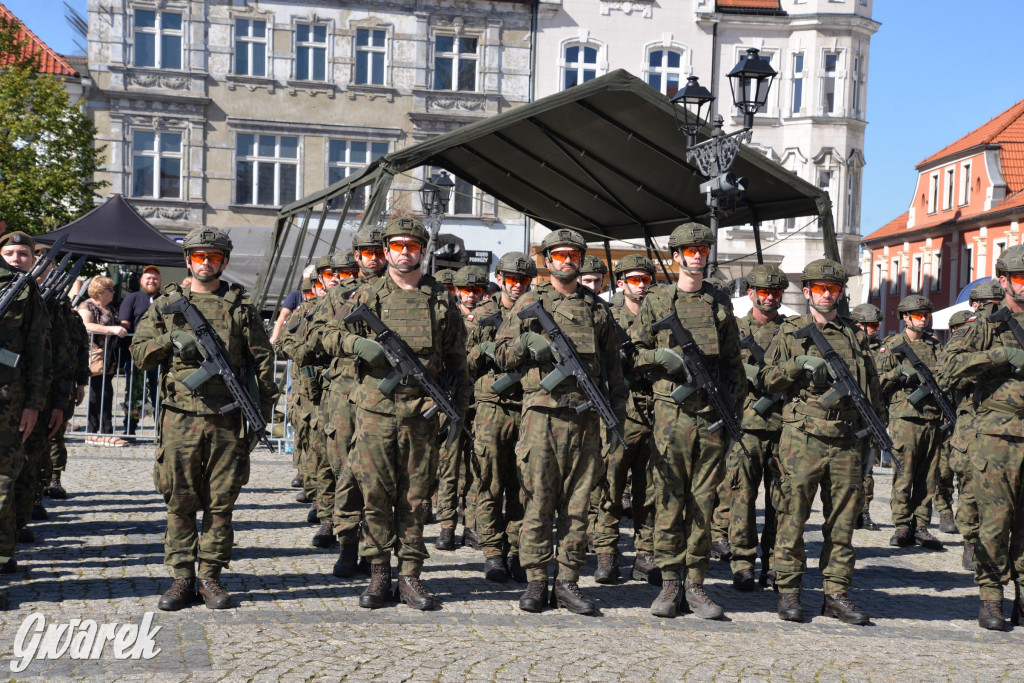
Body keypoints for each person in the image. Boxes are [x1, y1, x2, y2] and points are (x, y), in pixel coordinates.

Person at [318, 218, 470, 610]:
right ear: (386, 252)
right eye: (398, 246)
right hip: (376, 411)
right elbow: (327, 336)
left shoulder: (441, 298)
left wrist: (458, 411)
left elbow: (456, 360)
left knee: (416, 498)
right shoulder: (365, 294)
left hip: (422, 411)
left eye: (413, 246)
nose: (405, 252)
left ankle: (411, 576)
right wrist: (357, 344)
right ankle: (379, 573)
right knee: (375, 495)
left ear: (423, 251)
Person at [131, 226, 278, 611]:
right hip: (180, 419)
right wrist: (170, 341)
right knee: (179, 500)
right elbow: (139, 353)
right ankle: (181, 577)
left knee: (220, 503)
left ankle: (210, 576)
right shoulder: (166, 305)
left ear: (224, 262)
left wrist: (259, 416)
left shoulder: (240, 308)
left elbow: (262, 363)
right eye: (200, 256)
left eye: (214, 257)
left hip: (227, 419)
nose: (207, 263)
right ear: (188, 260)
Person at [495, 228, 627, 616]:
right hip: (542, 416)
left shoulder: (598, 310)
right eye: (559, 254)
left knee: (579, 505)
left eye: (573, 254)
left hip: (586, 419)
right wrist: (526, 345)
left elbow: (615, 373)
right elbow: (501, 355)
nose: (566, 260)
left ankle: (567, 582)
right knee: (537, 500)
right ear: (547, 259)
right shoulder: (529, 301)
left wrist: (615, 423)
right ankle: (536, 580)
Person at [630, 223, 744, 619]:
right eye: (689, 250)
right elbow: (632, 355)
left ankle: (696, 583)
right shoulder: (658, 301)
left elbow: (733, 365)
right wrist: (659, 359)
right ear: (676, 256)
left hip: (710, 415)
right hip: (671, 416)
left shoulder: (719, 302)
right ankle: (669, 583)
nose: (697, 255)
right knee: (669, 499)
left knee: (704, 501)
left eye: (702, 249)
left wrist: (733, 415)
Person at [760, 258, 881, 626]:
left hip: (845, 440)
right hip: (803, 439)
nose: (827, 295)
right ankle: (789, 592)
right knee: (792, 518)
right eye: (820, 288)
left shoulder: (854, 335)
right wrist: (799, 364)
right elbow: (766, 380)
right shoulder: (790, 332)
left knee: (842, 523)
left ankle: (836, 594)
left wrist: (873, 435)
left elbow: (870, 389)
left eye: (833, 289)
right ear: (808, 291)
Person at [939, 244, 1024, 631]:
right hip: (996, 437)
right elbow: (947, 370)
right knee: (995, 521)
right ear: (1004, 281)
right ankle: (991, 597)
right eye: (1021, 279)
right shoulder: (985, 327)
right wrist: (1000, 357)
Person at [304, 230, 385, 579]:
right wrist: (351, 343)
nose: (373, 258)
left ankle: (377, 548)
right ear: (356, 256)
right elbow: (312, 339)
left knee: (380, 475)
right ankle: (349, 544)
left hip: (383, 394)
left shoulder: (403, 292)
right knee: (346, 472)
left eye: (378, 251)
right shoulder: (339, 296)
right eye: (365, 252)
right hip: (343, 392)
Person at [722, 264, 790, 592]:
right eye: (764, 292)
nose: (771, 298)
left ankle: (775, 564)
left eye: (776, 293)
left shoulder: (793, 331)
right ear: (750, 293)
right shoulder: (733, 329)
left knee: (781, 500)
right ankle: (743, 563)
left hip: (784, 427)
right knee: (741, 497)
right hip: (744, 426)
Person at [468, 251, 535, 582]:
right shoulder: (483, 314)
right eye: (511, 280)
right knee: (490, 481)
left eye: (523, 281)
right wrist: (481, 351)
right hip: (492, 407)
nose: (517, 286)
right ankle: (493, 551)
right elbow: (462, 363)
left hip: (527, 406)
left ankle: (520, 551)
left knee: (524, 486)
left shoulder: (536, 313)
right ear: (499, 279)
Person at [591, 254, 658, 585]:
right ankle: (607, 553)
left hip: (655, 410)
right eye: (635, 280)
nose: (641, 286)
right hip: (619, 411)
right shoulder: (607, 315)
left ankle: (646, 555)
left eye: (646, 280)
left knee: (650, 490)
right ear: (621, 282)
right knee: (611, 486)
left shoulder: (660, 315)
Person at [0, 231, 49, 600]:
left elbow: (37, 351)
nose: (16, 258)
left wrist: (34, 403)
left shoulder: (26, 292)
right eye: (9, 252)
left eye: (22, 253)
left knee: (3, 482)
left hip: (8, 401)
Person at [876, 295, 946, 551]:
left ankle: (922, 525)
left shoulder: (937, 347)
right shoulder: (892, 346)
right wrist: (896, 374)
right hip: (905, 417)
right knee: (904, 474)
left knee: (929, 476)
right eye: (918, 315)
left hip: (933, 418)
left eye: (927, 315)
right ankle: (902, 525)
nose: (923, 319)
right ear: (905, 317)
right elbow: (877, 383)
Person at [435, 266, 489, 551]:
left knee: (476, 466)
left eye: (477, 290)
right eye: (466, 290)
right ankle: (446, 526)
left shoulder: (492, 317)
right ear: (455, 290)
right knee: (449, 465)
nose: (471, 295)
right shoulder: (446, 316)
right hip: (451, 398)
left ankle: (472, 525)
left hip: (480, 400)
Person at [78, 276, 129, 446]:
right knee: (98, 394)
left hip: (109, 357)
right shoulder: (87, 306)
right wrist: (111, 329)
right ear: (100, 292)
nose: (114, 292)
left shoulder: (108, 308)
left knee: (106, 393)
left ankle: (100, 431)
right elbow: (84, 325)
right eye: (111, 289)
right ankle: (98, 432)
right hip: (94, 356)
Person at [849, 303, 884, 531]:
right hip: (851, 416)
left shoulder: (883, 349)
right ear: (858, 324)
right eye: (871, 325)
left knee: (868, 468)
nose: (875, 329)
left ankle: (864, 511)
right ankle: (848, 511)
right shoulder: (849, 347)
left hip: (873, 414)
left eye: (877, 325)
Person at [120, 265, 162, 436]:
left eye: (155, 278)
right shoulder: (132, 298)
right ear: (141, 281)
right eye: (148, 278)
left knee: (159, 391)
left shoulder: (165, 299)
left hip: (160, 355)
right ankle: (130, 428)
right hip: (137, 355)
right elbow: (124, 323)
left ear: (160, 282)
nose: (151, 281)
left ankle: (161, 431)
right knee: (135, 392)